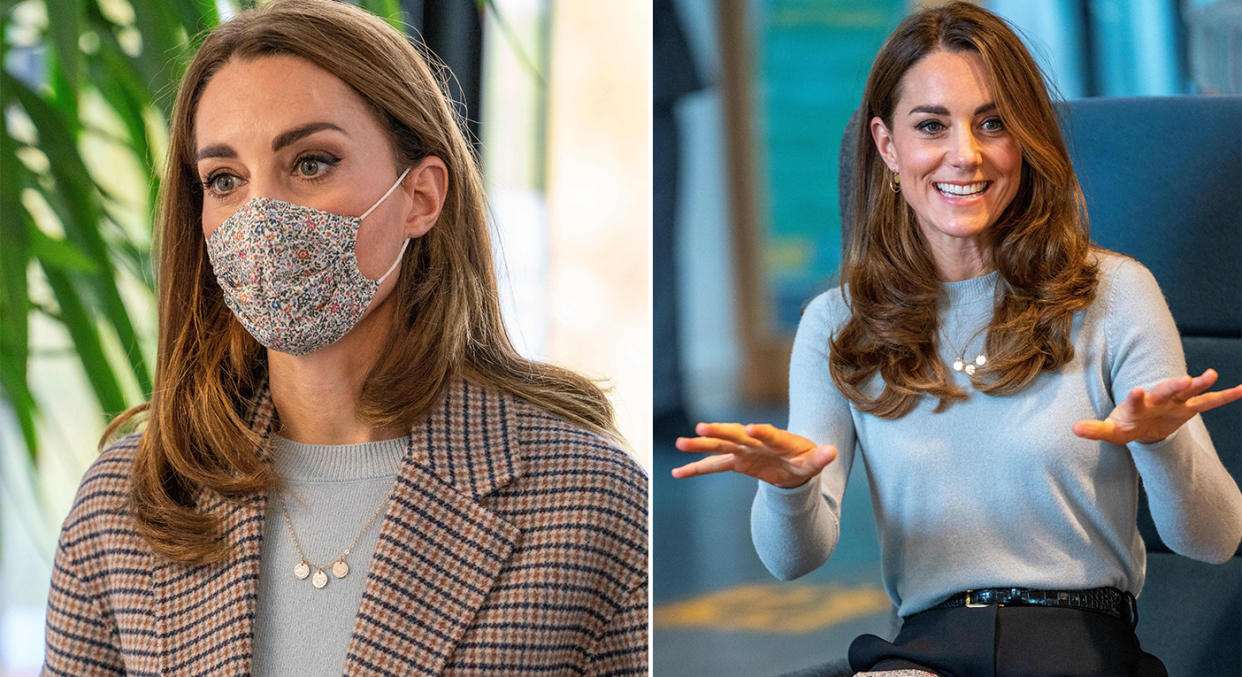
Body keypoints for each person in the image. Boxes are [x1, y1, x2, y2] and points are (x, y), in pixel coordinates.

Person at [41, 1, 647, 675]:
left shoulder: (586, 497)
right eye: (224, 179)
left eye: (310, 163)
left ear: (420, 196)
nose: (261, 216)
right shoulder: (127, 501)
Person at [672, 3, 1242, 676]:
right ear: (888, 146)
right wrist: (791, 488)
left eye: (992, 123)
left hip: (1078, 644)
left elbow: (1215, 538)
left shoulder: (1114, 293)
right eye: (932, 126)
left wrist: (1161, 441)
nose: (964, 154)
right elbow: (793, 558)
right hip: (925, 646)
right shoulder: (839, 322)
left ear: (1024, 140)